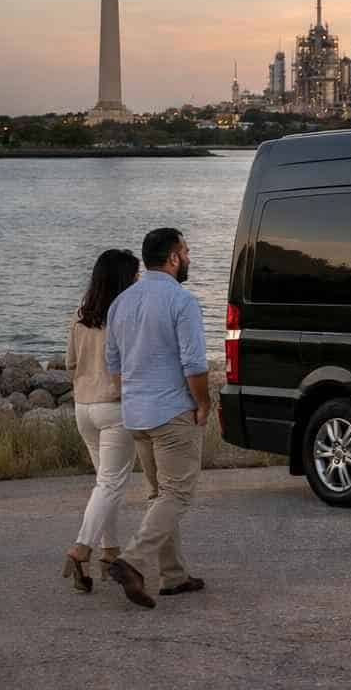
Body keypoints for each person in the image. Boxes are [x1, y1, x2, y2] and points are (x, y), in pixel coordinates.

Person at [104, 227, 211, 609]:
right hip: (171, 413)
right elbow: (195, 364)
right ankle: (132, 562)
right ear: (172, 258)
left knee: (158, 495)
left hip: (137, 415)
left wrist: (132, 393)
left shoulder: (121, 303)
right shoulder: (181, 302)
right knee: (177, 494)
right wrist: (204, 403)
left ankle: (174, 576)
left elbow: (113, 365)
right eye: (186, 250)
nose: (188, 256)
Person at [61, 248, 142, 592]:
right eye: (135, 276)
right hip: (114, 408)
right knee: (110, 485)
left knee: (104, 485)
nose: (139, 281)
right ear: (125, 280)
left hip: (83, 408)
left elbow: (70, 363)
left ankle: (110, 552)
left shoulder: (81, 314)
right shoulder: (124, 317)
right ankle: (81, 549)